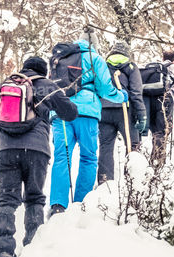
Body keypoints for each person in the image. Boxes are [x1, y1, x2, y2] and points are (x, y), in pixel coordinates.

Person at [0, 56, 78, 257]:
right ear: (43, 71)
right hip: (36, 150)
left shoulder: (6, 84)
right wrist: (48, 109)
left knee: (7, 199)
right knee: (34, 198)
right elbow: (70, 113)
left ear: (24, 68)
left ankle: (4, 250)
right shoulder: (46, 85)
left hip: (6, 149)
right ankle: (32, 249)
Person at [48, 30, 127, 215]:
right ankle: (81, 204)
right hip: (87, 113)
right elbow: (106, 88)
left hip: (61, 112)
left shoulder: (60, 58)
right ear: (95, 44)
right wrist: (121, 96)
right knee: (88, 158)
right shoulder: (94, 57)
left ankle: (58, 205)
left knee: (62, 157)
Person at [98, 40, 147, 184]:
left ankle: (105, 182)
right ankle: (133, 182)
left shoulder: (103, 67)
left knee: (105, 147)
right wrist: (142, 115)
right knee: (133, 145)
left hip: (104, 111)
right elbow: (136, 93)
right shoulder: (131, 67)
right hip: (125, 111)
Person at [142, 49, 174, 167]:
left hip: (148, 99)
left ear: (162, 58)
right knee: (162, 131)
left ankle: (149, 160)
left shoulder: (153, 68)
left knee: (154, 130)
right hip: (165, 99)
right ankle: (158, 163)